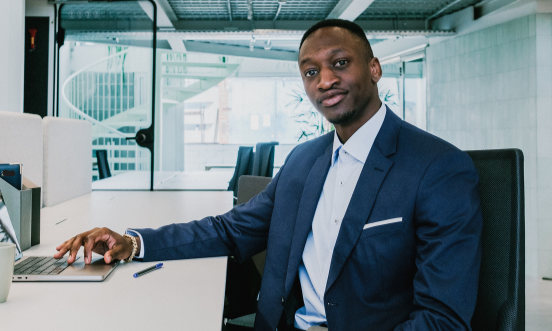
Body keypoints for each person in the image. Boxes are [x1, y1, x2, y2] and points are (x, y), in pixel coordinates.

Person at [54, 19, 483, 331]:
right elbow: (229, 230)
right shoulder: (304, 160)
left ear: (373, 68)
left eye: (340, 63)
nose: (325, 80)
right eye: (311, 72)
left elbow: (442, 318)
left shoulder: (438, 168)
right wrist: (132, 243)